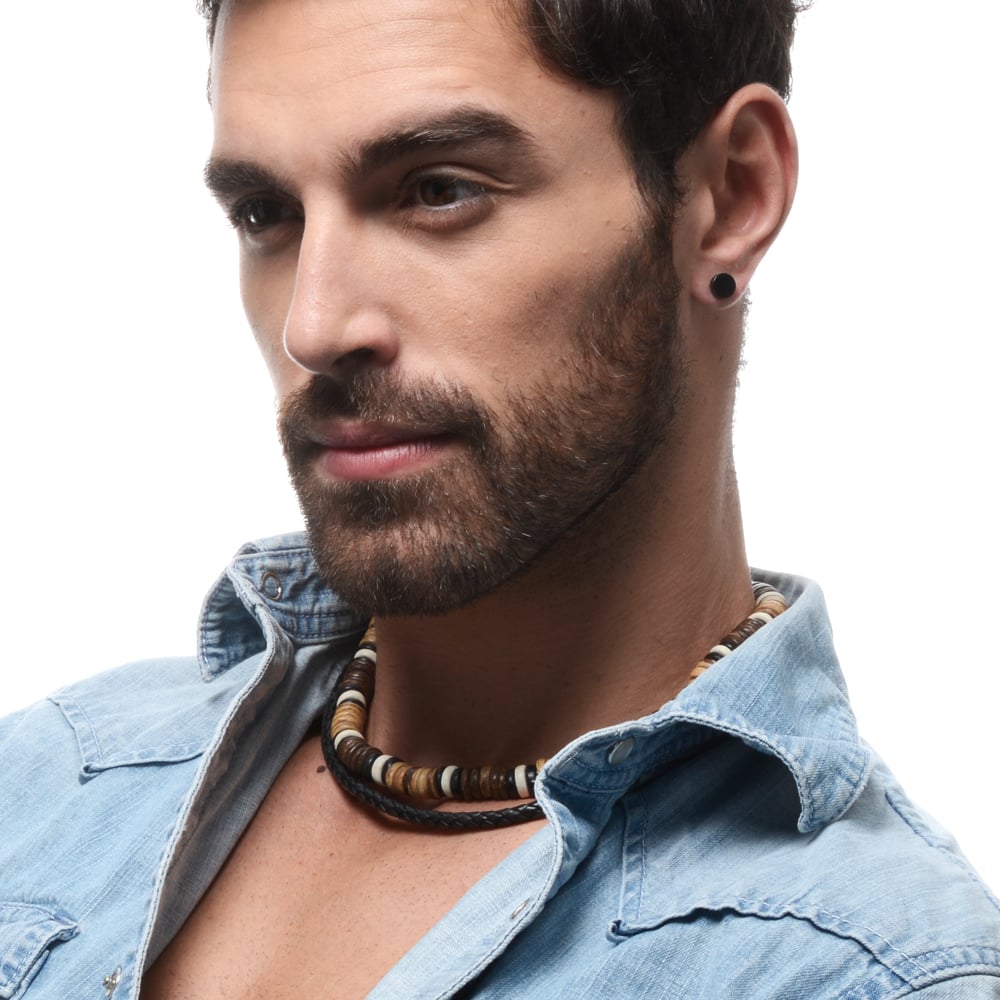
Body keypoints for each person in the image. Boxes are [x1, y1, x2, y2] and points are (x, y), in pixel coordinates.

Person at [2, 1, 998, 998]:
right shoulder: (44, 783)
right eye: (267, 213)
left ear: (731, 195)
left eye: (438, 191)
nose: (315, 325)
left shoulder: (867, 973)